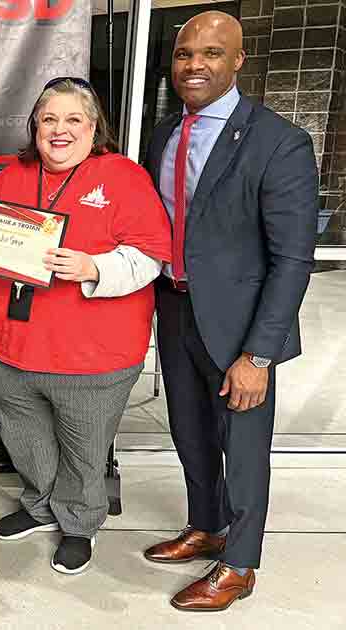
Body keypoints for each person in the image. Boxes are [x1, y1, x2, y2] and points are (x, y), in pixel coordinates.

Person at [142, 12, 317, 611]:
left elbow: (293, 260)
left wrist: (259, 354)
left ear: (239, 61)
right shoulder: (164, 133)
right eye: (185, 54)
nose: (195, 65)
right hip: (177, 308)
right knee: (190, 434)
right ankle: (207, 526)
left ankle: (239, 564)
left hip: (242, 328)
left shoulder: (278, 140)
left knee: (243, 448)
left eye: (212, 54)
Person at [0, 77, 172, 574]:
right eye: (49, 120)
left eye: (72, 120)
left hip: (90, 354)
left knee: (84, 449)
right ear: (34, 127)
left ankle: (80, 523)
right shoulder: (13, 174)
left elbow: (151, 256)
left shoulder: (123, 176)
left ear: (93, 126)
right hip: (7, 345)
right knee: (25, 438)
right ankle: (41, 506)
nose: (59, 131)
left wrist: (94, 268)